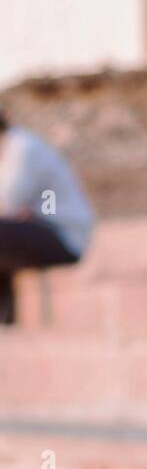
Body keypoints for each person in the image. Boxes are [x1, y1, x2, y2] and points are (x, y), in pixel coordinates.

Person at [0, 113, 94, 325]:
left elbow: (8, 202)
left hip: (64, 236)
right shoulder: (8, 149)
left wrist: (16, 213)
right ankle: (5, 320)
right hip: (43, 229)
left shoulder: (23, 146)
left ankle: (6, 320)